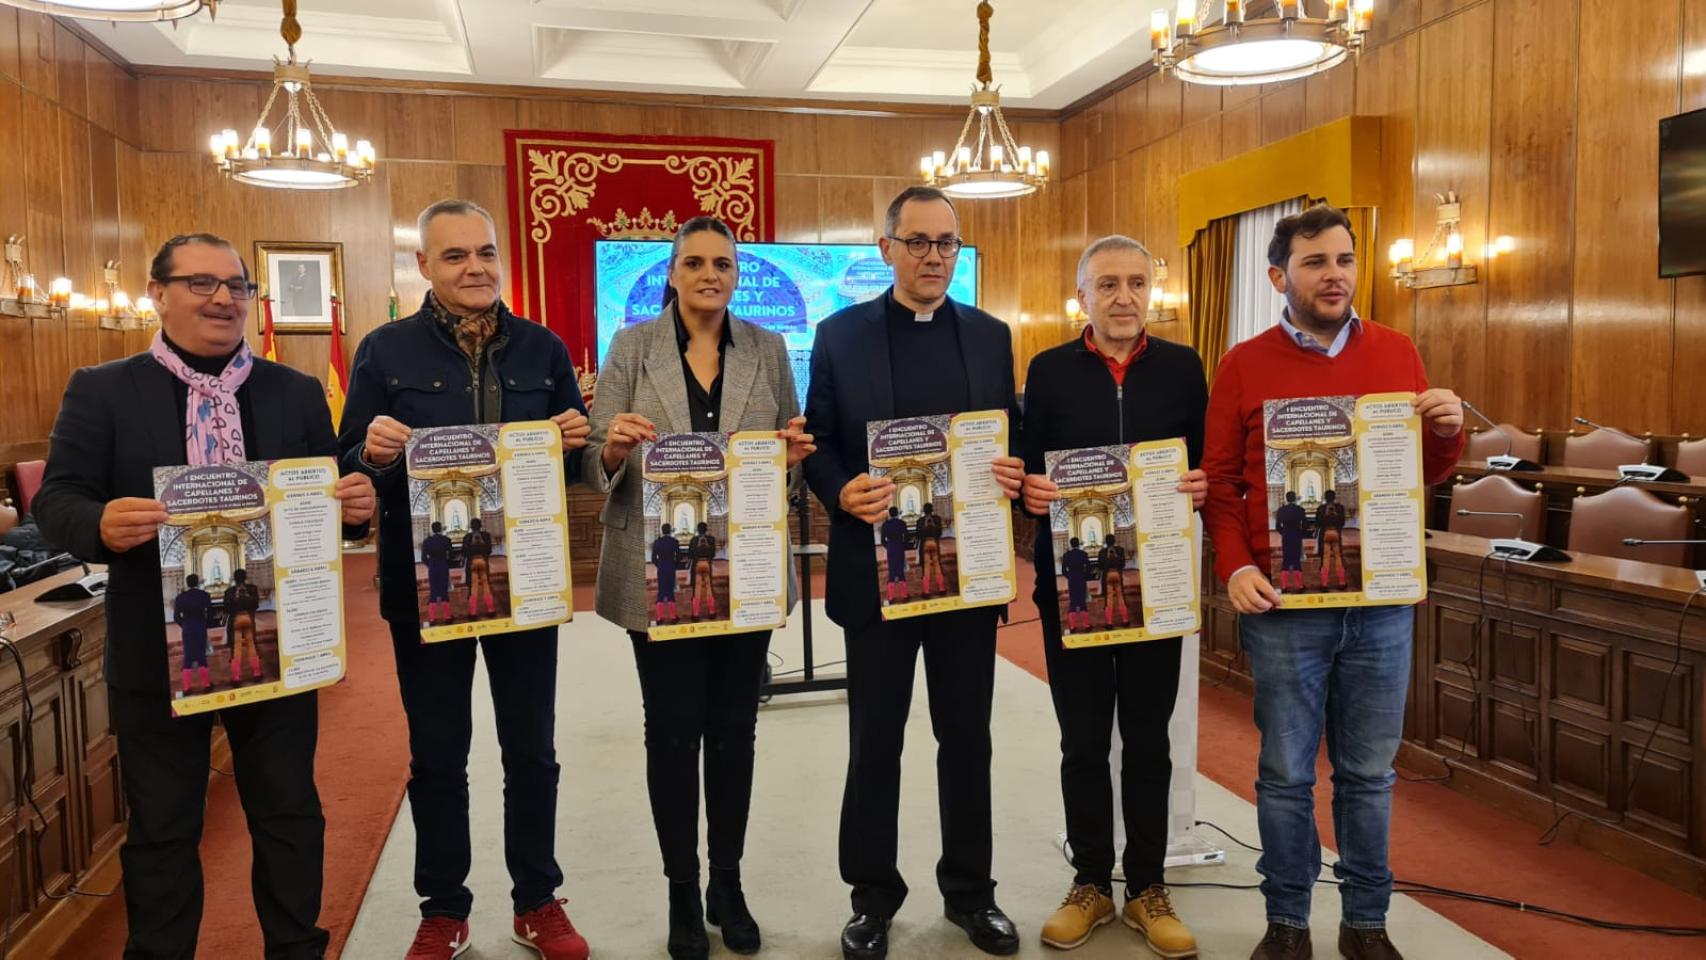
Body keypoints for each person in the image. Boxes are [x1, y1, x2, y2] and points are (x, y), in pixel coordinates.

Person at [32, 232, 375, 959]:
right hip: (158, 654)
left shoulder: (296, 391)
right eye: (200, 283)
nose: (223, 299)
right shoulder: (104, 388)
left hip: (279, 640)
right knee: (163, 827)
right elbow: (57, 499)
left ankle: (296, 949)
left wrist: (351, 504)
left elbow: (324, 501)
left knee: (289, 815)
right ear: (156, 293)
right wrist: (96, 522)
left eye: (237, 286)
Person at [1201, 205, 1464, 960]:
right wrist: (1236, 564)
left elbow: (1417, 473)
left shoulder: (1397, 350)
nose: (1336, 274)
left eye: (1345, 259)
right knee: (1285, 774)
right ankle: (1287, 923)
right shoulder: (1243, 363)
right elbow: (1221, 485)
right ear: (1280, 275)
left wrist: (1446, 436)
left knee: (1369, 775)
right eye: (1317, 262)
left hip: (1381, 604)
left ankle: (1365, 924)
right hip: (1285, 606)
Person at [339, 199, 593, 960]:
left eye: (486, 252)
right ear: (424, 265)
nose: (476, 267)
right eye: (455, 256)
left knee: (532, 751)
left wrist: (578, 442)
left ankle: (537, 901)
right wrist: (373, 454)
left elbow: (576, 463)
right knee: (438, 753)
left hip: (529, 581)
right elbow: (349, 467)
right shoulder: (383, 352)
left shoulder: (543, 350)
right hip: (423, 586)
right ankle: (443, 908)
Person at [801, 185, 1026, 960]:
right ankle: (872, 898)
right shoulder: (839, 335)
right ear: (886, 248)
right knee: (877, 741)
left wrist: (1011, 470)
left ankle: (971, 892)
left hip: (967, 575)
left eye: (947, 244)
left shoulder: (992, 336)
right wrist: (840, 488)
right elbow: (818, 444)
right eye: (920, 242)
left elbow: (1011, 438)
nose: (935, 257)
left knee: (968, 740)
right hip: (877, 577)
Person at [583, 215, 815, 960]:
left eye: (722, 263)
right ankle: (682, 889)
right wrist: (614, 446)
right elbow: (594, 458)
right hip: (656, 577)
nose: (709, 274)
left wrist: (793, 455)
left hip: (742, 570)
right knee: (673, 733)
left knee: (736, 733)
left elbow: (790, 459)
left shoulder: (770, 348)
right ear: (672, 274)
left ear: (737, 273)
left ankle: (729, 883)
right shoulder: (631, 347)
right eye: (694, 263)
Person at [1018, 234, 1208, 957]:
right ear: (1083, 297)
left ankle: (1149, 888)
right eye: (1107, 285)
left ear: (1151, 292)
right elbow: (1027, 474)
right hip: (1073, 586)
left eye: (1135, 283)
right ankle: (1092, 882)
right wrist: (1030, 493)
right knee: (1083, 741)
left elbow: (1208, 465)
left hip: (1157, 585)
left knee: (1150, 741)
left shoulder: (1185, 369)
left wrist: (1203, 483)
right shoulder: (1049, 370)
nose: (1123, 296)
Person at [175, 573, 212, 693]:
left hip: (187, 626)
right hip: (200, 625)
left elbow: (176, 617)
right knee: (202, 654)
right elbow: (210, 613)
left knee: (188, 655)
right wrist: (205, 623)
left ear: (187, 583)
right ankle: (206, 685)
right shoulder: (204, 595)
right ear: (197, 582)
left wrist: (184, 624)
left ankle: (186, 687)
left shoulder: (180, 597)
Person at [224, 567, 262, 682]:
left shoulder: (229, 591)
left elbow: (226, 608)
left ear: (234, 579)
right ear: (245, 578)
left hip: (235, 620)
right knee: (251, 645)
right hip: (248, 618)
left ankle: (236, 677)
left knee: (236, 648)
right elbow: (256, 605)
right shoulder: (252, 588)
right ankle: (257, 673)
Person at [461, 517, 496, 617]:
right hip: (483, 561)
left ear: (471, 527)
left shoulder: (467, 537)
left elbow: (464, 552)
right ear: (480, 526)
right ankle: (491, 609)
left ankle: (473, 612)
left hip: (472, 562)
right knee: (486, 586)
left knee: (473, 587)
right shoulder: (486, 535)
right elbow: (489, 550)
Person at [421, 521, 454, 623]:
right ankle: (447, 617)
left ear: (432, 529)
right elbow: (451, 555)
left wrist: (430, 564)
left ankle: (431, 618)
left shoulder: (427, 541)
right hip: (443, 566)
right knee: (444, 591)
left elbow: (423, 558)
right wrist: (447, 563)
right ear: (440, 529)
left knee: (433, 591)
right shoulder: (446, 540)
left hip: (433, 567)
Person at [1273, 491, 1307, 592]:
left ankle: (1284, 587)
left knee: (1286, 560)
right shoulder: (1300, 509)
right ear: (1295, 498)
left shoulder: (1281, 510)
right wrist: (1300, 533)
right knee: (1297, 560)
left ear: (1287, 498)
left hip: (1286, 536)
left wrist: (1284, 533)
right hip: (1296, 536)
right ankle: (1299, 586)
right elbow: (1305, 525)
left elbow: (1278, 527)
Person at [1315, 489, 1347, 590]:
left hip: (1325, 534)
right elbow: (1342, 522)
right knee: (1338, 558)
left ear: (1325, 497)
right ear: (1334, 497)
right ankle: (1342, 582)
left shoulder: (1321, 508)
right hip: (1336, 533)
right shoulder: (1340, 507)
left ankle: (1324, 584)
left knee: (1325, 559)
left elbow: (1318, 523)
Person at [1098, 535, 1130, 628]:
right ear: (1114, 541)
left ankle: (1109, 623)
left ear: (1105, 541)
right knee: (1121, 598)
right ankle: (1125, 620)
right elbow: (1123, 564)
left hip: (1107, 575)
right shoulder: (1120, 550)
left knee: (1109, 599)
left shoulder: (1102, 551)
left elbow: (1100, 566)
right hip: (1117, 574)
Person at [914, 501, 946, 596]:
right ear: (932, 510)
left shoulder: (920, 521)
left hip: (925, 544)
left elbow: (918, 535)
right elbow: (940, 533)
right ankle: (941, 588)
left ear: (924, 511)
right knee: (937, 566)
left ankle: (926, 591)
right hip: (934, 542)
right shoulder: (937, 519)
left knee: (926, 567)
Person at [1059, 538, 1091, 632]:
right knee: (1082, 601)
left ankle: (1072, 627)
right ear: (1078, 544)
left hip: (1072, 579)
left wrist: (1069, 577)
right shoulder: (1083, 554)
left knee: (1073, 602)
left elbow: (1063, 570)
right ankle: (1086, 625)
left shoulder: (1067, 555)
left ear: (1071, 544)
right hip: (1081, 578)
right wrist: (1084, 575)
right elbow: (1089, 567)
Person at [651, 523, 681, 624]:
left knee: (661, 591)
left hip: (661, 567)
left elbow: (653, 558)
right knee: (670, 591)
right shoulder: (674, 541)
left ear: (662, 531)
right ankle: (673, 617)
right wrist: (674, 565)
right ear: (670, 531)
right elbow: (679, 557)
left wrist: (659, 565)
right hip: (671, 567)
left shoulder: (657, 542)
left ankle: (659, 618)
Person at [688, 521, 718, 620]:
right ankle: (712, 612)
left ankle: (695, 614)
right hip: (707, 564)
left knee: (697, 588)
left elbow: (690, 555)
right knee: (709, 588)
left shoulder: (693, 539)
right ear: (706, 529)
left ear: (697, 529)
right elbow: (713, 554)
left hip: (697, 564)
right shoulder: (711, 539)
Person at [880, 507, 909, 604]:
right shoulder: (902, 523)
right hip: (899, 547)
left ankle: (891, 598)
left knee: (891, 571)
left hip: (891, 547)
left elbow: (882, 541)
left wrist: (888, 547)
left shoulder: (885, 524)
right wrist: (903, 545)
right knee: (901, 570)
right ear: (897, 513)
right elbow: (907, 537)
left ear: (889, 514)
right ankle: (904, 596)